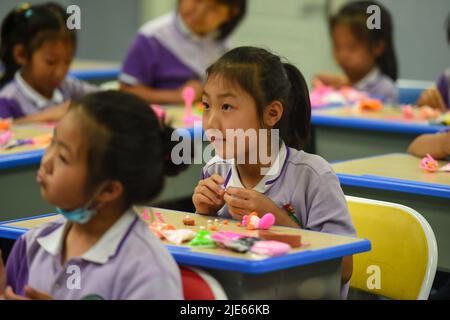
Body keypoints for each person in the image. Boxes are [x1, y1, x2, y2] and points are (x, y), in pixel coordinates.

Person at [0, 91, 183, 299]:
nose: (46, 161)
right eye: (52, 142)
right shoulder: (32, 245)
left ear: (108, 190)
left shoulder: (148, 271)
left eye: (63, 157)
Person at [119, 0, 246, 104]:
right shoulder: (152, 38)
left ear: (231, 14)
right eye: (197, 0)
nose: (200, 13)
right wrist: (177, 95)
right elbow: (126, 91)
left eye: (214, 8)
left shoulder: (222, 40)